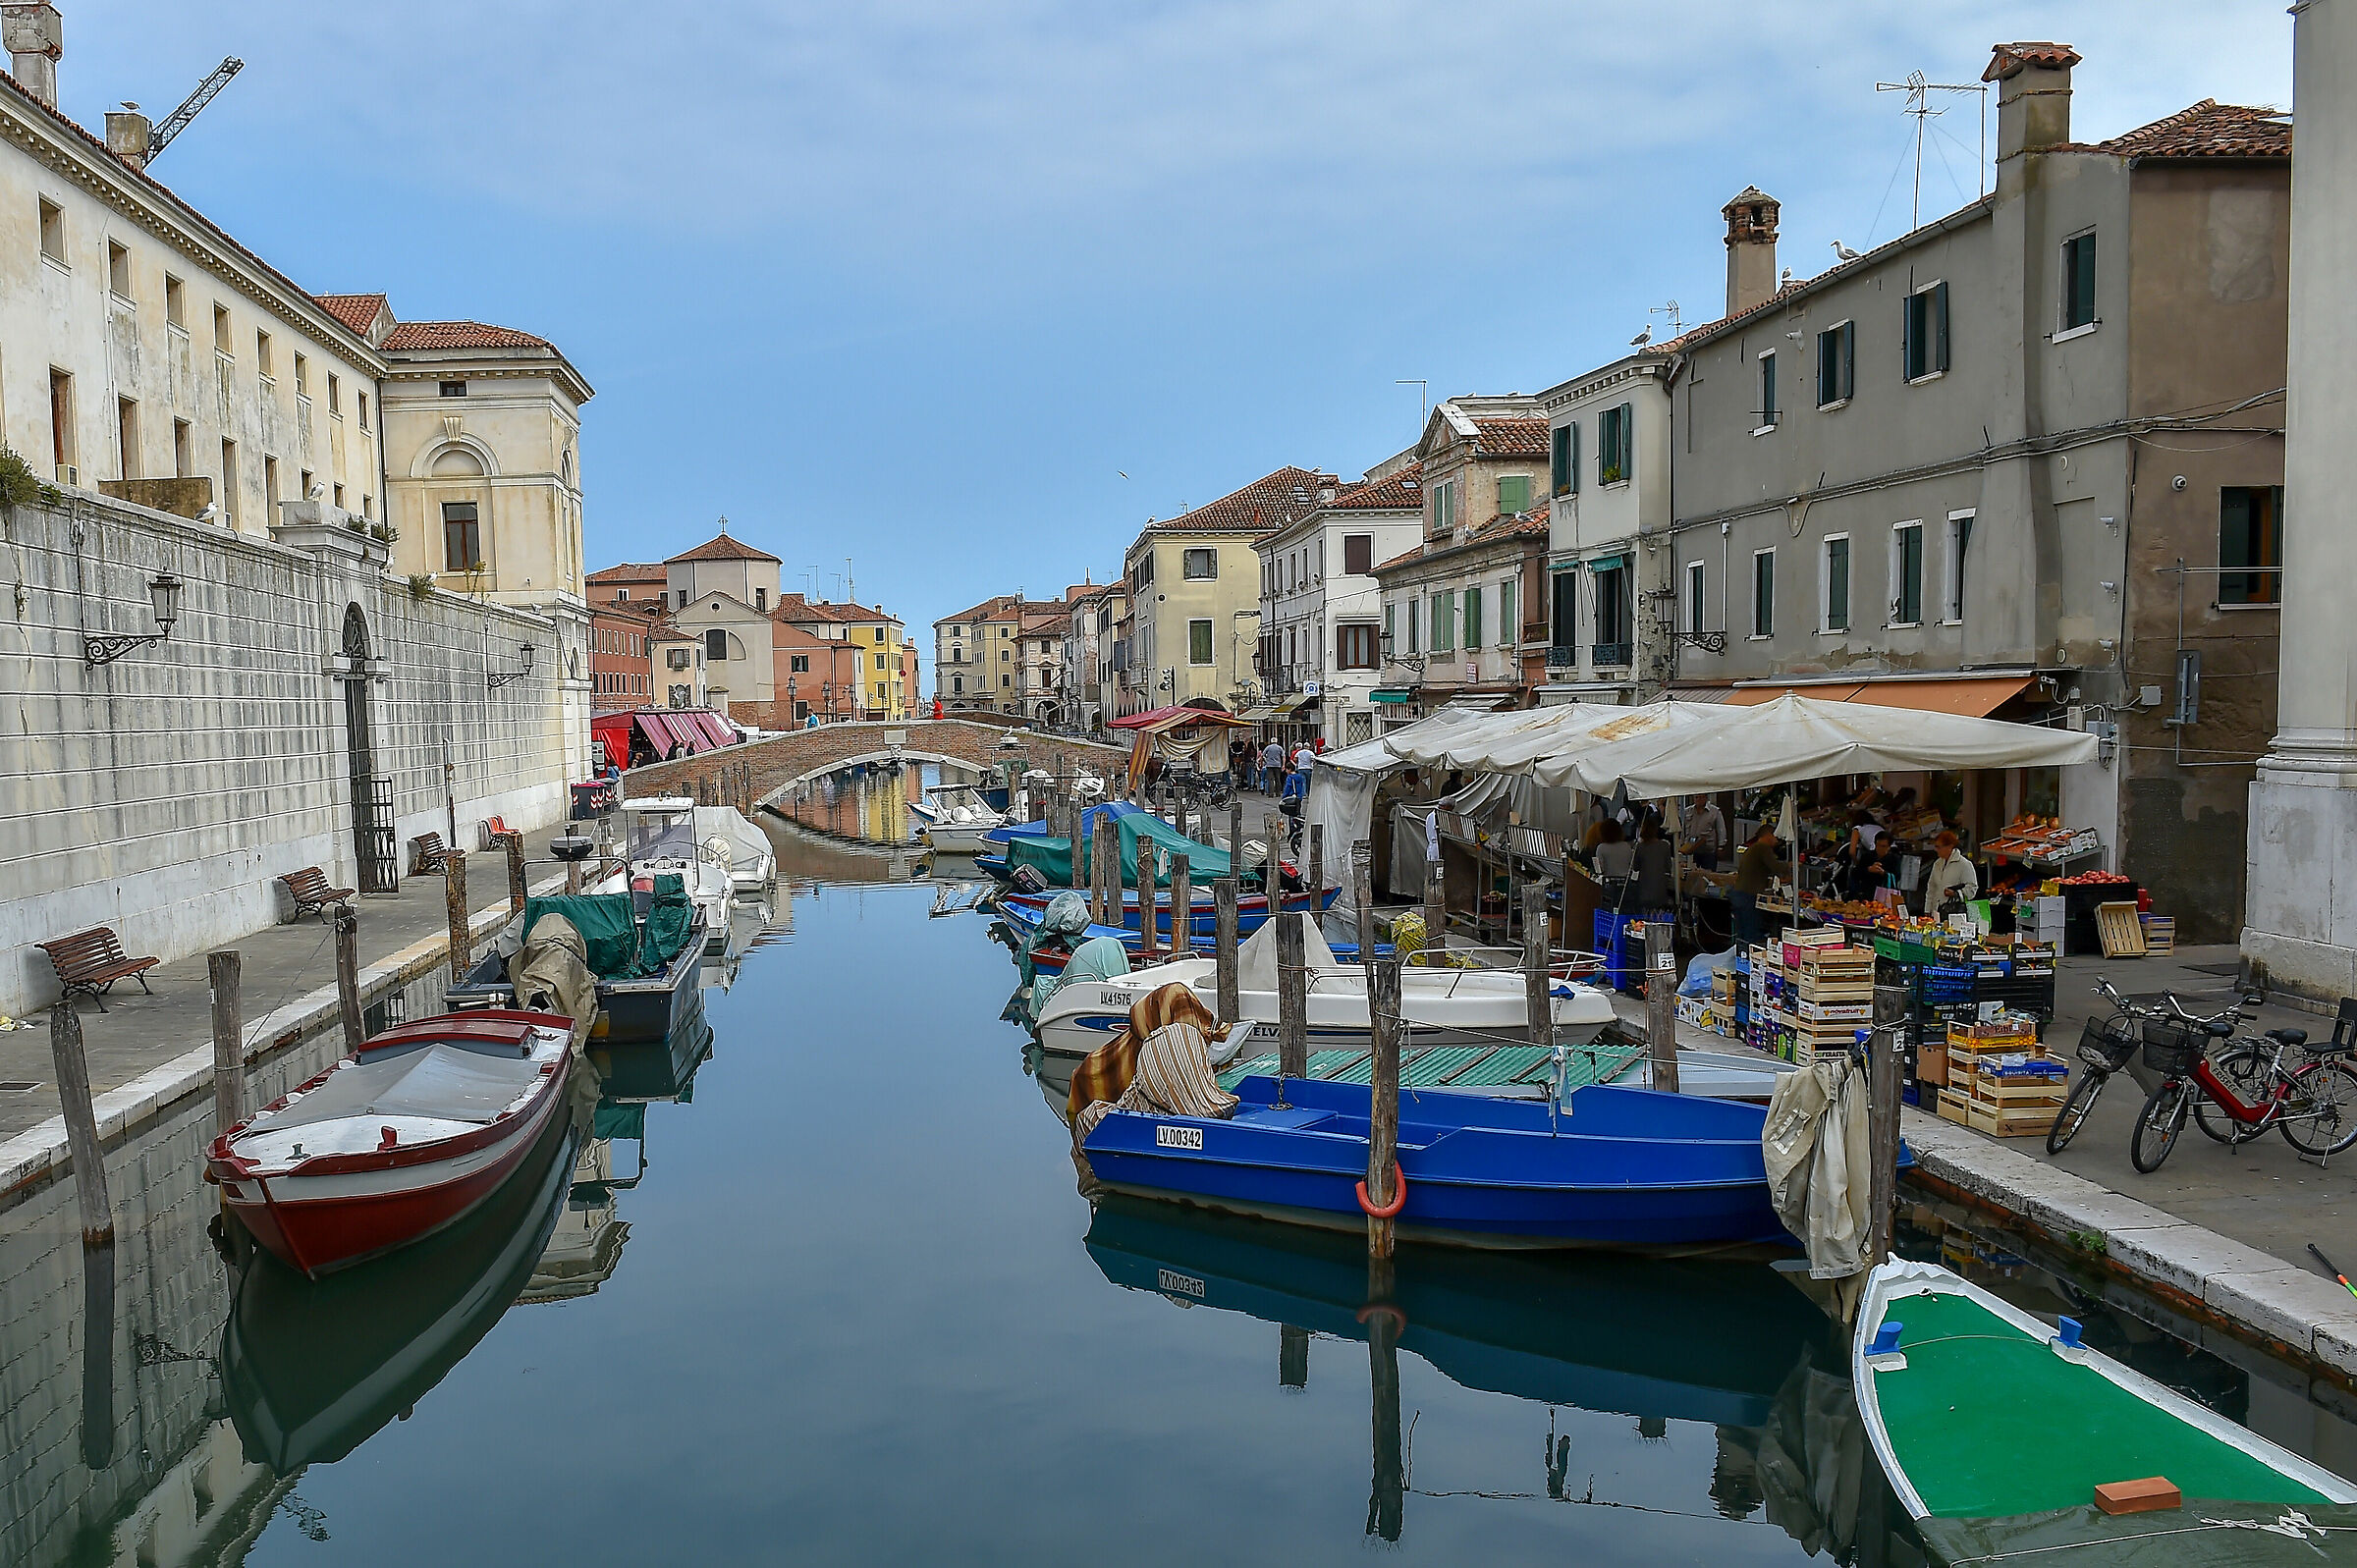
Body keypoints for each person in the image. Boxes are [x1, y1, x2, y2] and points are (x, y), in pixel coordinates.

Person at [1729, 825, 1787, 946]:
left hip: (1738, 894)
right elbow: (1776, 867)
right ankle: (1749, 960)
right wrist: (1793, 865)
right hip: (1748, 896)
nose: (1777, 841)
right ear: (1768, 835)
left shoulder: (1753, 848)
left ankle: (1740, 959)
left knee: (1742, 935)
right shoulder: (1763, 848)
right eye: (1775, 837)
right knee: (1752, 935)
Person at [1922, 830, 1979, 915]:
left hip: (1954, 912)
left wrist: (1956, 894)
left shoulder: (1964, 864)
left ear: (1950, 846)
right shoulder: (1937, 864)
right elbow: (1931, 888)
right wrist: (1927, 910)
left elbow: (1972, 888)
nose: (1936, 850)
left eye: (1939, 847)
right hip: (1936, 911)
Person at [1631, 818, 1675, 912]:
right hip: (1660, 892)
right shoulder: (1665, 845)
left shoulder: (1640, 847)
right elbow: (1668, 867)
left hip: (1643, 892)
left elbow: (1635, 867)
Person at [1593, 818, 1635, 910]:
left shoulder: (1601, 848)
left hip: (1609, 886)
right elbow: (1631, 866)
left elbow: (1600, 869)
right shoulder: (1626, 846)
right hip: (1626, 886)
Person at [1684, 795, 1726, 872]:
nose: (1698, 800)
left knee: (1708, 874)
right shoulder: (1688, 811)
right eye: (1696, 797)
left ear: (1706, 798)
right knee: (1691, 874)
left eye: (1701, 797)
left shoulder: (1715, 811)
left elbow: (1721, 830)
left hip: (1708, 850)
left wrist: (1721, 847)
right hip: (1691, 850)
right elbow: (1683, 829)